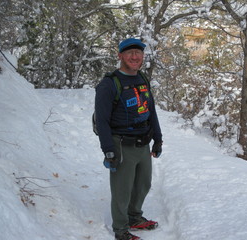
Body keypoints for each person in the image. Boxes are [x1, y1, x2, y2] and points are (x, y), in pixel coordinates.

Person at [95, 38, 163, 240]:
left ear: (142, 56)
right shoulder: (109, 84)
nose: (134, 57)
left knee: (143, 184)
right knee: (122, 190)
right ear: (120, 56)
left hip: (143, 141)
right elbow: (102, 121)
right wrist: (108, 149)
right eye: (129, 53)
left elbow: (151, 110)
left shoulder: (142, 78)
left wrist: (158, 138)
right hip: (121, 144)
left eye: (138, 53)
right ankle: (121, 229)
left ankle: (135, 217)